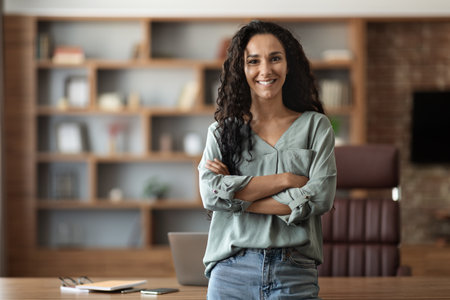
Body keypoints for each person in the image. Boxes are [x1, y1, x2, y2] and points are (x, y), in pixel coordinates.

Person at [198, 20, 336, 300]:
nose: (265, 70)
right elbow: (210, 195)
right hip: (230, 272)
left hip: (294, 271)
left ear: (289, 64)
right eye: (253, 61)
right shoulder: (222, 131)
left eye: (275, 58)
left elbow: (320, 197)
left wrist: (236, 200)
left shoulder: (316, 127)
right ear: (241, 68)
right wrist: (286, 180)